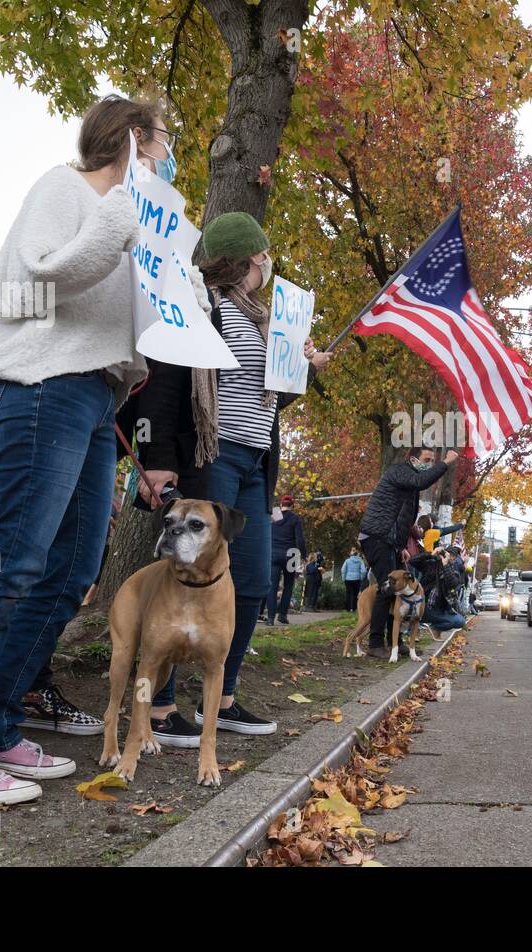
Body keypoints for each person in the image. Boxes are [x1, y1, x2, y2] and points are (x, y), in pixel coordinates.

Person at [0, 94, 163, 805]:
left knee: (72, 566)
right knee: (13, 558)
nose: (167, 152)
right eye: (162, 139)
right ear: (133, 139)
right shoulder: (67, 188)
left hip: (91, 398)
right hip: (41, 386)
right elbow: (40, 277)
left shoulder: (130, 222)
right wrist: (117, 225)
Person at [126, 210, 331, 745]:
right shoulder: (201, 307)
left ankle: (224, 697)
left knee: (255, 582)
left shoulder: (269, 320)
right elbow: (168, 382)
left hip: (253, 464)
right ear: (246, 258)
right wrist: (160, 457)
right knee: (185, 575)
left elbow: (271, 395)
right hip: (210, 454)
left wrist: (304, 364)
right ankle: (162, 705)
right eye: (264, 256)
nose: (268, 265)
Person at [358, 447, 457, 657]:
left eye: (433, 460)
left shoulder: (408, 484)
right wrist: (445, 463)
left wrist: (401, 546)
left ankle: (395, 642)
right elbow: (421, 481)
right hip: (376, 538)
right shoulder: (400, 472)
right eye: (427, 460)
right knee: (388, 587)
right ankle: (375, 644)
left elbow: (402, 519)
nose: (429, 464)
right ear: (413, 459)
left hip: (390, 542)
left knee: (399, 589)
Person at [266, 494, 305, 625]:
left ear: (281, 504)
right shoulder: (295, 518)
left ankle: (270, 618)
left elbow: (266, 530)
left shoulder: (275, 514)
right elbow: (300, 539)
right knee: (288, 585)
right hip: (291, 554)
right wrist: (304, 556)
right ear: (292, 505)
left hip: (274, 553)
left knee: (272, 585)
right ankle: (282, 615)